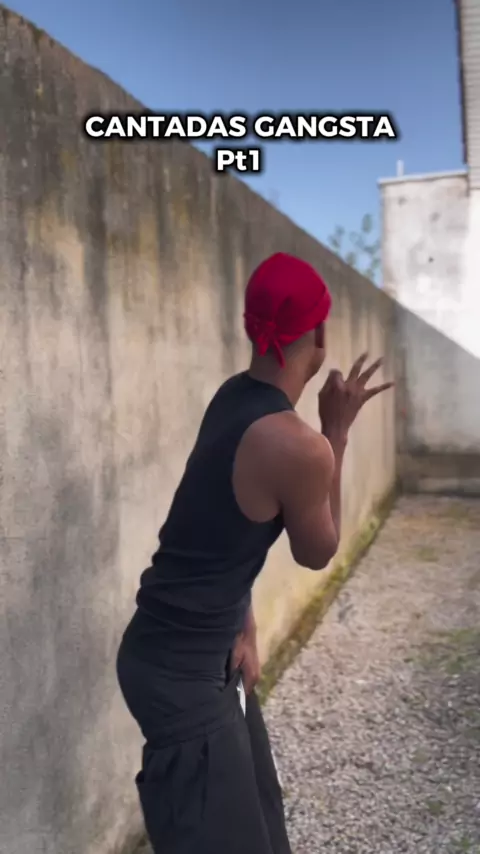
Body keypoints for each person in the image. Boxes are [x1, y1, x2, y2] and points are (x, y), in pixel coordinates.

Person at [116, 252, 393, 854]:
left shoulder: (232, 397)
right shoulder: (298, 446)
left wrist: (244, 627)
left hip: (194, 655)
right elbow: (318, 551)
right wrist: (336, 432)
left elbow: (215, 530)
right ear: (320, 336)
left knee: (263, 820)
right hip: (181, 676)